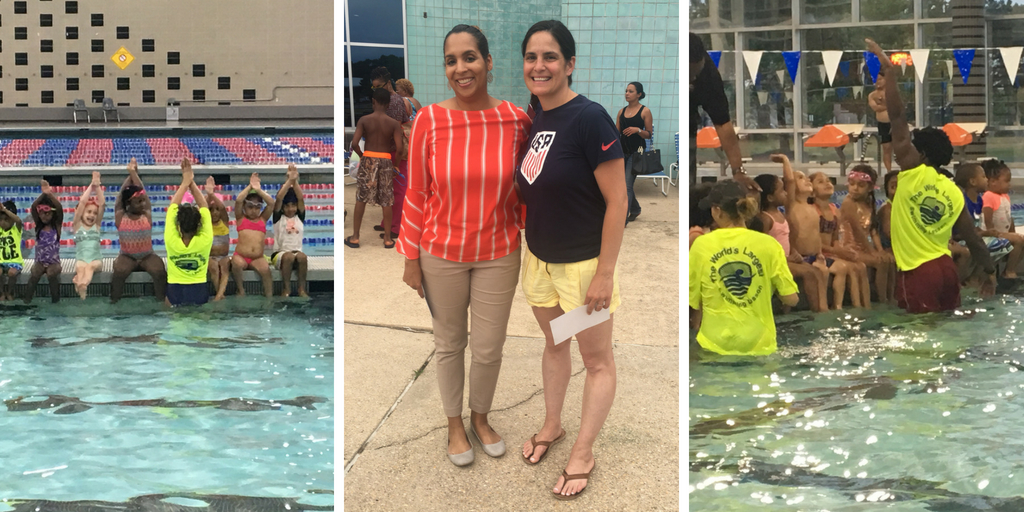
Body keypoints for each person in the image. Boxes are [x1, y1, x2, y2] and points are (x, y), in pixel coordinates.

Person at [397, 24, 531, 468]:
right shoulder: (429, 121)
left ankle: (481, 417)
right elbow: (416, 193)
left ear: (489, 63)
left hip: (499, 253)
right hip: (440, 254)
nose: (461, 68)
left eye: (470, 57)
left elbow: (530, 187)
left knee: (489, 346)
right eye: (451, 61)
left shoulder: (517, 120)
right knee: (450, 344)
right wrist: (410, 257)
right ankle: (455, 425)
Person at [516, 20, 626, 501]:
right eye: (532, 57)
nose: (539, 66)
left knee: (597, 360)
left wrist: (604, 274)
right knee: (553, 343)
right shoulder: (534, 115)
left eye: (550, 57)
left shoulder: (590, 118)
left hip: (583, 267)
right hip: (538, 259)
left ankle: (583, 450)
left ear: (570, 64)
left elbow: (618, 202)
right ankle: (553, 425)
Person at [866, 38, 995, 312]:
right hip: (947, 270)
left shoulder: (912, 171)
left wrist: (889, 73)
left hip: (918, 272)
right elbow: (972, 238)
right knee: (947, 334)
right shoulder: (953, 190)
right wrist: (990, 271)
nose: (906, 146)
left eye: (913, 145)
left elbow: (898, 117)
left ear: (920, 154)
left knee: (921, 339)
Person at [690, 179, 799, 354]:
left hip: (715, 345)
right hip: (760, 345)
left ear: (717, 210)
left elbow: (693, 299)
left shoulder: (701, 245)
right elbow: (791, 298)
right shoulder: (769, 245)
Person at [754, 155, 828, 312]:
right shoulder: (765, 219)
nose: (786, 194)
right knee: (808, 273)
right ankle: (815, 311)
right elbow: (763, 248)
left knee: (814, 271)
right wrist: (786, 258)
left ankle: (817, 309)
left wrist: (793, 252)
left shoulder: (780, 214)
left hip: (787, 259)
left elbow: (789, 183)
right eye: (781, 191)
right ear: (770, 197)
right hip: (777, 262)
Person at [689, 32, 757, 194]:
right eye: (689, 74)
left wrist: (738, 171)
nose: (693, 79)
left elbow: (723, 123)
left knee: (688, 184)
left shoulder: (708, 76)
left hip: (688, 126)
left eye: (696, 73)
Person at [345, 88, 403, 250]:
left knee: (361, 198)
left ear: (373, 101)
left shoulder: (364, 120)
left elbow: (355, 143)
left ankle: (355, 237)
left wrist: (362, 156)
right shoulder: (393, 123)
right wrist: (396, 164)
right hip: (385, 160)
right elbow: (399, 148)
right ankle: (387, 239)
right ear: (388, 103)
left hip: (368, 159)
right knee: (387, 200)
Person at [786, 170, 852, 310]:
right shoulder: (793, 206)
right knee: (819, 273)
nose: (806, 180)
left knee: (825, 271)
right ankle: (821, 309)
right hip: (801, 257)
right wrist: (785, 160)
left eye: (806, 178)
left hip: (815, 256)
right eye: (800, 178)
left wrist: (820, 253)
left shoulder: (811, 208)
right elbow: (789, 181)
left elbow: (815, 235)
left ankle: (832, 308)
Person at [111, 158, 167, 303]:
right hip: (127, 256)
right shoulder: (120, 216)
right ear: (128, 204)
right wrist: (130, 175)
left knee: (160, 271)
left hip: (147, 255)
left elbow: (144, 194)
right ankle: (114, 302)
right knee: (118, 272)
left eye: (143, 201)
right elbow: (119, 199)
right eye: (138, 201)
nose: (143, 203)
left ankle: (162, 301)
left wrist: (134, 174)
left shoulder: (146, 214)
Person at [839, 165, 896, 304]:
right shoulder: (848, 203)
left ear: (870, 188)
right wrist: (872, 252)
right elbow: (858, 232)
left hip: (862, 248)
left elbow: (873, 231)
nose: (855, 188)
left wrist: (880, 250)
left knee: (890, 260)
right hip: (849, 249)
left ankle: (892, 296)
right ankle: (883, 300)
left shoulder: (868, 203)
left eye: (860, 185)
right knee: (880, 263)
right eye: (852, 184)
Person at [370, 66, 412, 239]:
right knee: (388, 189)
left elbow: (392, 130)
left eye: (378, 86)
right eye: (374, 88)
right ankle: (387, 222)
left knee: (396, 190)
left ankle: (396, 226)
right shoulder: (393, 100)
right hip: (391, 150)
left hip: (395, 151)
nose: (376, 91)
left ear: (388, 83)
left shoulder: (393, 102)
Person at [165, 158, 213, 307]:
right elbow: (203, 206)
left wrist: (186, 182)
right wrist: (191, 183)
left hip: (175, 289)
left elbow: (173, 206)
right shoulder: (205, 240)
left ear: (178, 225)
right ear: (199, 225)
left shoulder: (171, 240)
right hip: (199, 288)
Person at [954, 163, 1010, 287]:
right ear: (973, 181)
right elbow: (962, 233)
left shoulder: (979, 200)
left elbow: (975, 225)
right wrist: (984, 233)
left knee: (1001, 244)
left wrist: (985, 232)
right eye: (984, 176)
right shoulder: (963, 201)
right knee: (978, 247)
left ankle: (978, 274)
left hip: (973, 236)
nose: (987, 180)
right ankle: (962, 279)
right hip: (961, 239)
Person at [230, 173, 275, 298]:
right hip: (241, 256)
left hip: (257, 258)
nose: (253, 210)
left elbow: (271, 204)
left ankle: (269, 295)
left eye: (257, 207)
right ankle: (240, 289)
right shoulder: (241, 218)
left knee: (266, 271)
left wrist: (259, 190)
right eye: (250, 207)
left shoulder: (262, 219)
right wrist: (250, 187)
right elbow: (239, 200)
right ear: (244, 207)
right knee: (236, 264)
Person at [616, 81, 653, 225]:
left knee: (627, 185)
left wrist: (637, 130)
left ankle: (622, 218)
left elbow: (649, 134)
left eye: (631, 91)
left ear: (639, 94)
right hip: (622, 152)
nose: (627, 93)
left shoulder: (645, 111)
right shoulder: (621, 112)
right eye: (626, 91)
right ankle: (635, 209)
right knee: (625, 184)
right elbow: (616, 132)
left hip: (636, 153)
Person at [980, 160, 1024, 279]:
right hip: (992, 234)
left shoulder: (1004, 196)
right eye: (1006, 181)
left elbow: (1009, 218)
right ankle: (1009, 271)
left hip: (1002, 233)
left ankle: (1008, 268)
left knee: (1021, 240)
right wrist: (991, 232)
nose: (1009, 184)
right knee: (1019, 240)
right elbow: (987, 217)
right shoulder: (989, 196)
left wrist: (1012, 232)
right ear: (993, 182)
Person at [272, 164, 309, 297]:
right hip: (279, 255)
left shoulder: (299, 217)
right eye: (287, 206)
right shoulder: (278, 218)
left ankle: (301, 289)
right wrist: (289, 181)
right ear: (282, 208)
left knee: (302, 257)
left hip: (296, 255)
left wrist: (295, 181)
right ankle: (286, 288)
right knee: (288, 256)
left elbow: (300, 198)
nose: (290, 209)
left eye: (293, 206)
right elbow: (279, 198)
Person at [24, 180, 63, 303]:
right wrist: (43, 194)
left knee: (52, 274)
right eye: (42, 214)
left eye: (47, 213)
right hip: (40, 262)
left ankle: (55, 301)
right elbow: (33, 208)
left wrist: (50, 194)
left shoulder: (57, 226)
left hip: (54, 262)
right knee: (34, 274)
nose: (44, 216)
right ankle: (27, 300)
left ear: (53, 214)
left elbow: (59, 208)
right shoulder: (38, 227)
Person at [72, 172, 105, 299]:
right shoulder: (77, 226)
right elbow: (81, 203)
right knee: (80, 268)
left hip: (96, 260)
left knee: (90, 266)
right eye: (89, 212)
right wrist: (91, 185)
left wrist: (97, 187)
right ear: (82, 213)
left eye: (94, 213)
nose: (91, 215)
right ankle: (82, 293)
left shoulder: (96, 226)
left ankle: (82, 284)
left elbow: (102, 204)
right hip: (81, 259)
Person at [204, 176, 232, 301]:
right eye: (211, 210)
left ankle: (220, 295)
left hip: (224, 256)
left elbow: (222, 208)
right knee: (214, 268)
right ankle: (219, 293)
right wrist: (208, 195)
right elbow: (201, 207)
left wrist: (212, 195)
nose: (215, 212)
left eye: (216, 210)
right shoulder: (205, 224)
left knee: (225, 266)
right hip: (210, 257)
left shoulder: (224, 222)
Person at [0, 200, 24, 301]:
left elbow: (18, 221)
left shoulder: (16, 230)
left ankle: (10, 292)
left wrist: (4, 210)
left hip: (15, 262)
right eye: (0, 219)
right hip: (1, 262)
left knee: (11, 273)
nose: (3, 222)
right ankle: (1, 293)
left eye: (6, 219)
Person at [869, 74, 893, 173]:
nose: (878, 82)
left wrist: (882, 104)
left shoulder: (892, 93)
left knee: (900, 147)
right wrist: (886, 105)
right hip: (883, 124)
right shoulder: (872, 95)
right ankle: (889, 171)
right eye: (876, 80)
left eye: (880, 79)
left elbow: (896, 105)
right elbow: (875, 108)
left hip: (894, 123)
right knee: (886, 148)